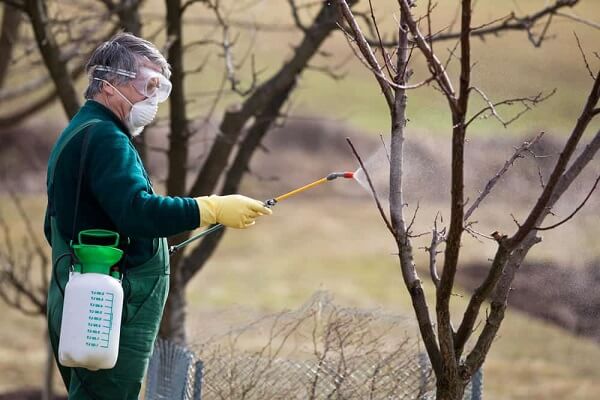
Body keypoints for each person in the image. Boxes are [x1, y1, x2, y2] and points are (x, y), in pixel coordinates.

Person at [43, 32, 272, 399]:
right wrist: (210, 208)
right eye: (147, 85)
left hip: (87, 300)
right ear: (109, 84)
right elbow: (138, 212)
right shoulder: (105, 138)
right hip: (106, 310)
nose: (153, 100)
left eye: (159, 88)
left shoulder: (85, 130)